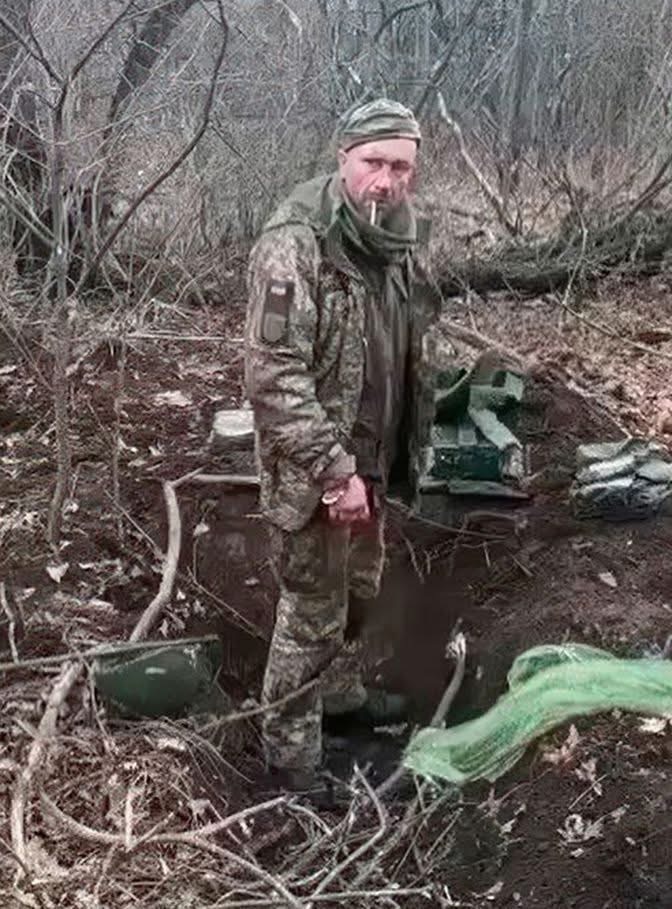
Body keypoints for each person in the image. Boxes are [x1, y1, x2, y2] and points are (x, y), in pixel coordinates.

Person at [244, 98, 445, 789]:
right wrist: (333, 470)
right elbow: (272, 374)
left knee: (359, 590)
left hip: (375, 462)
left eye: (401, 167)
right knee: (311, 614)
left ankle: (339, 698)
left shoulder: (399, 240)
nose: (386, 181)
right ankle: (290, 762)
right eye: (373, 163)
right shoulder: (296, 242)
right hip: (319, 473)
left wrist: (396, 455)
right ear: (343, 160)